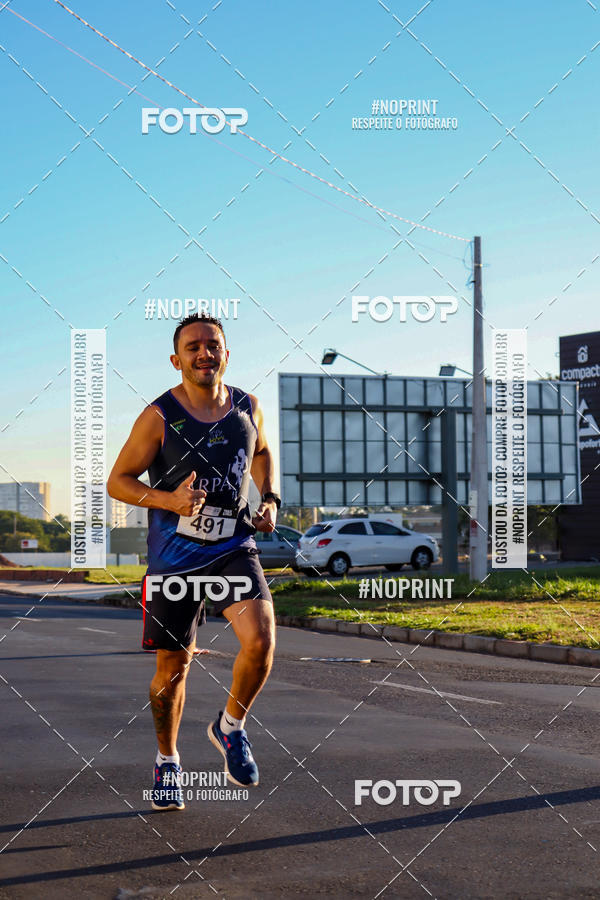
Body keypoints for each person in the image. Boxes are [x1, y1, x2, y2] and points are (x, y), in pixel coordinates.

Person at [107, 313, 279, 810]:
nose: (205, 353)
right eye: (194, 346)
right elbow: (119, 480)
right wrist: (169, 501)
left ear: (227, 354)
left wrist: (269, 499)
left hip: (233, 548)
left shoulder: (248, 406)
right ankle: (167, 761)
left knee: (261, 641)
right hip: (175, 561)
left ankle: (231, 727)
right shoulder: (159, 416)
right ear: (176, 359)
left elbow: (263, 453)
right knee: (172, 671)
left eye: (213, 345)